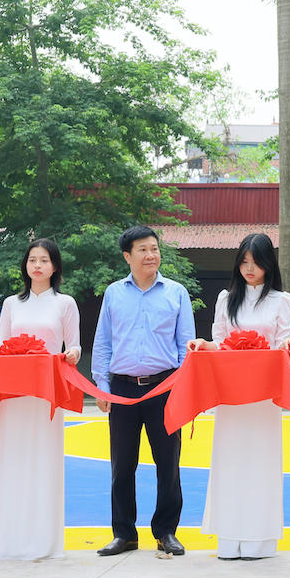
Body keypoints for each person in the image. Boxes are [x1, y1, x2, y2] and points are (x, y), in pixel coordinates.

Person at [0, 238, 80, 562]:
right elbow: (1, 347)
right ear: (25, 265)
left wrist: (73, 354)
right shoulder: (11, 304)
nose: (37, 265)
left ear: (55, 266)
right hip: (15, 394)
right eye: (32, 259)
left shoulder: (65, 303)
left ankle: (44, 542)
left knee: (45, 459)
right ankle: (10, 541)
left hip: (46, 394)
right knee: (13, 459)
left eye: (44, 260)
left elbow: (74, 345)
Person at [90, 225, 194, 557]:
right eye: (143, 250)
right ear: (127, 256)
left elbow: (186, 346)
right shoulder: (113, 293)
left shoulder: (176, 292)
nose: (151, 255)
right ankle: (124, 534)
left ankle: (166, 531)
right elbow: (103, 343)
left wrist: (182, 388)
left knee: (168, 463)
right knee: (122, 465)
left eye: (154, 248)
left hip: (165, 387)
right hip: (122, 388)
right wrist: (102, 386)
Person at [190, 232, 290, 560]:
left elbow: (283, 342)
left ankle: (259, 539)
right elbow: (220, 342)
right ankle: (229, 536)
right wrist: (203, 345)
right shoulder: (226, 298)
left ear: (268, 265)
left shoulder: (281, 300)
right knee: (230, 459)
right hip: (231, 394)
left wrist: (289, 346)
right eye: (244, 262)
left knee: (262, 459)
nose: (250, 268)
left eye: (257, 262)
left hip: (264, 396)